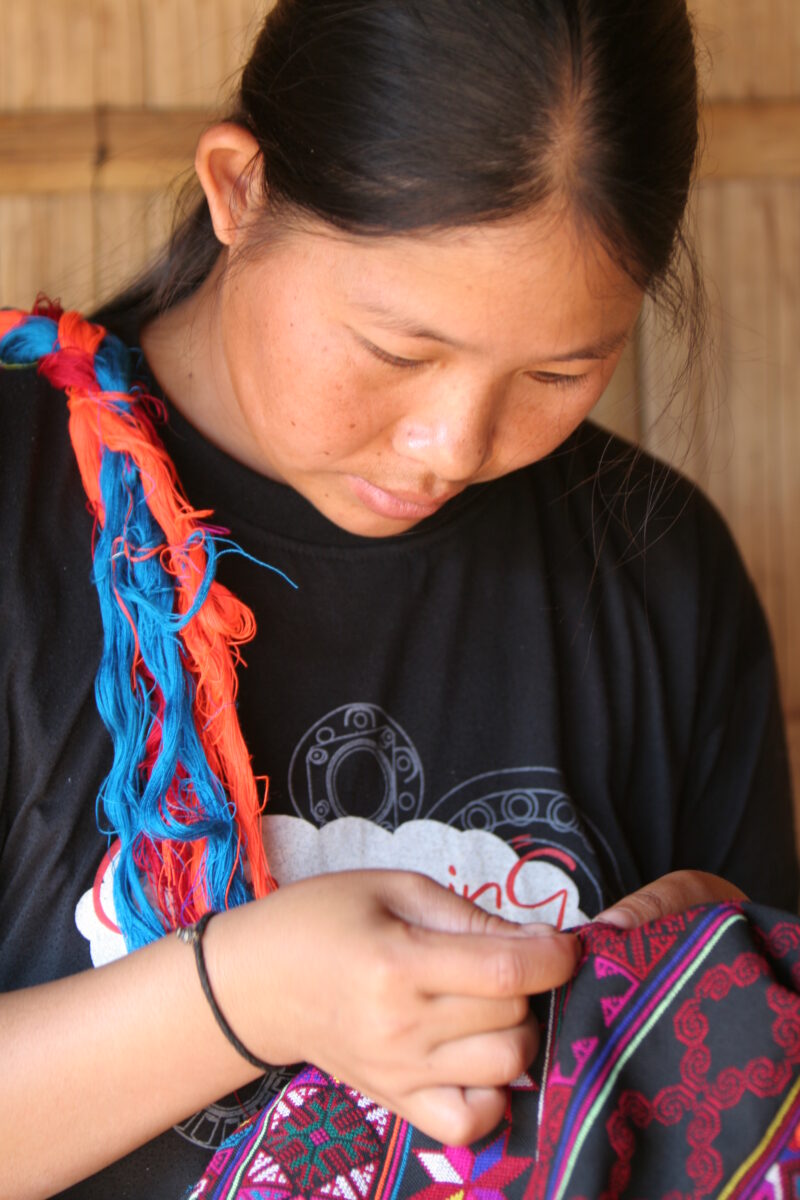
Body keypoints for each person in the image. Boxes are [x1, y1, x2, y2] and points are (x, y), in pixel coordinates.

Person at [0, 1, 795, 1197]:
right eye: (395, 350)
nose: (449, 444)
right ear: (239, 189)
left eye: (556, 372)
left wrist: (706, 967)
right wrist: (243, 998)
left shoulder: (657, 573)